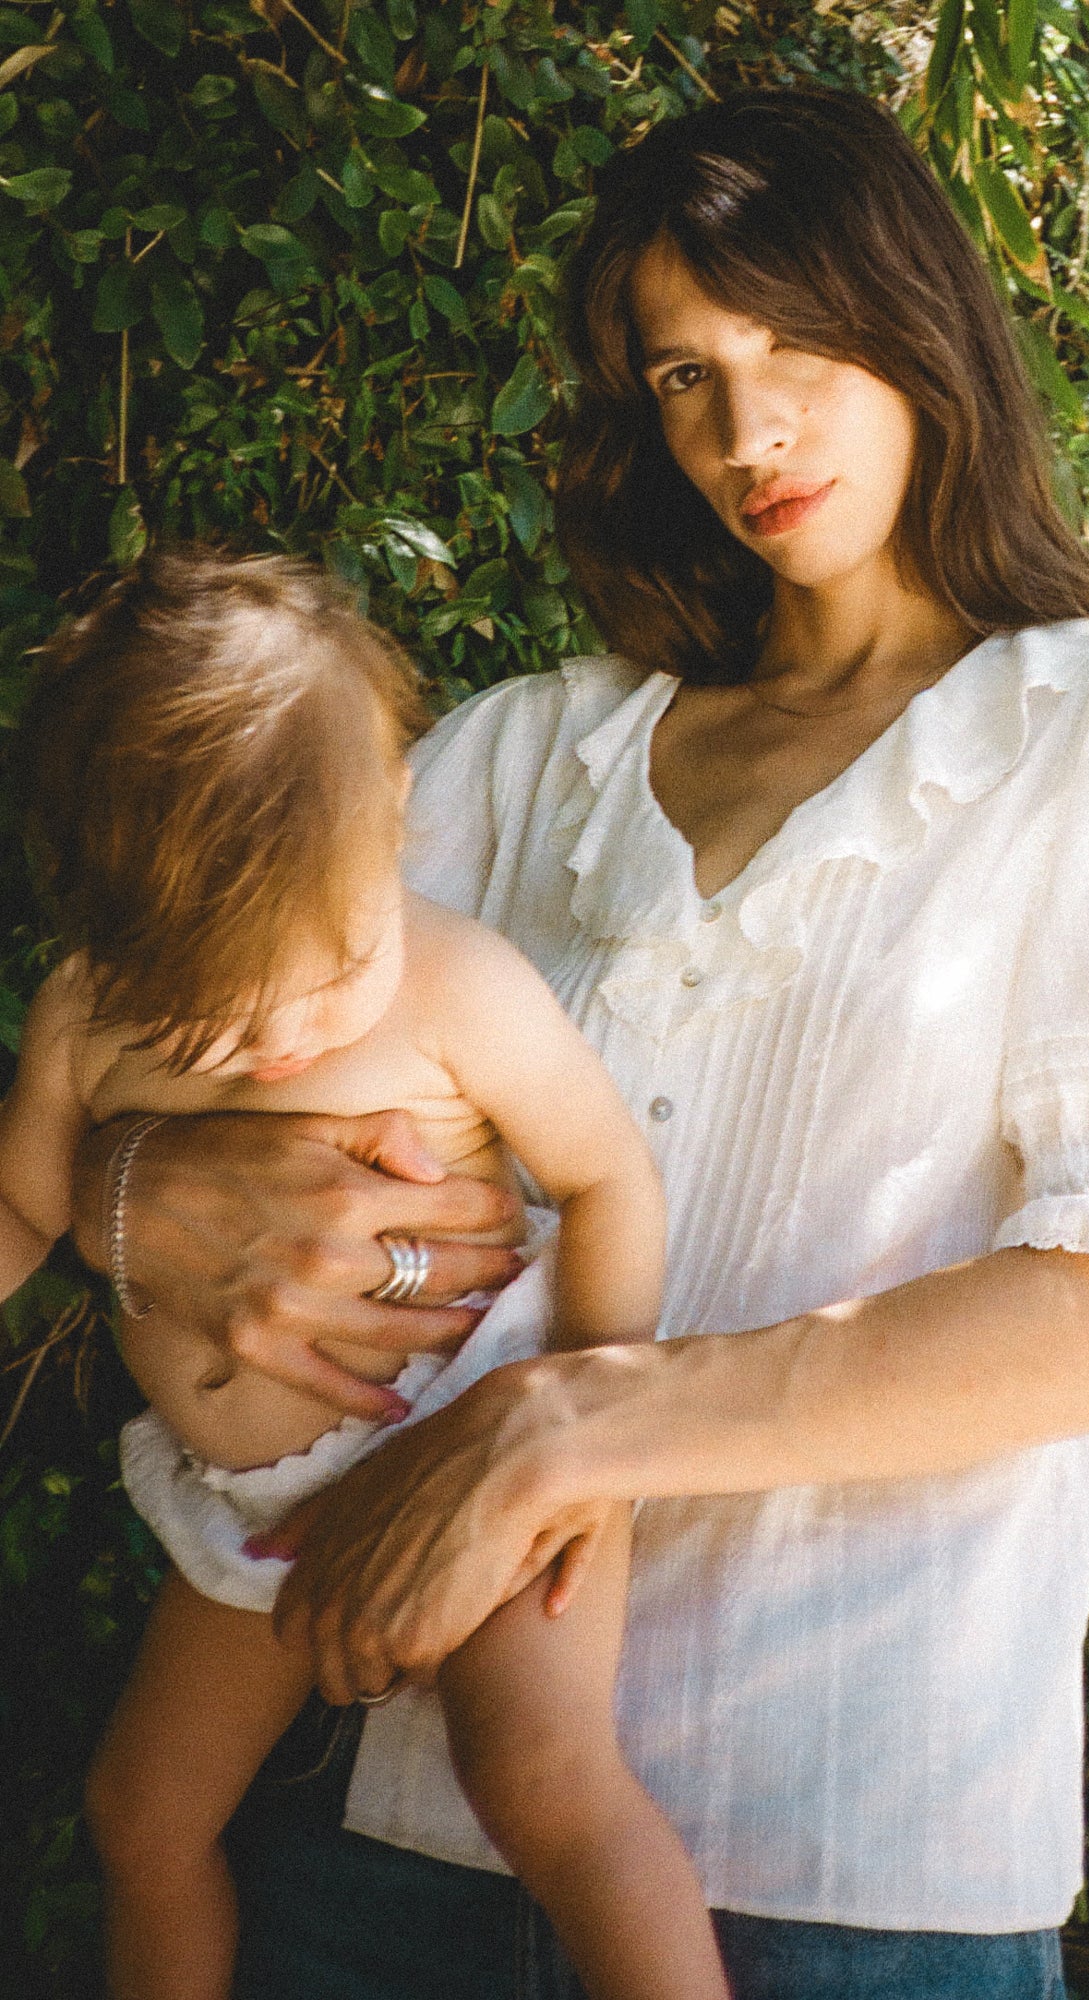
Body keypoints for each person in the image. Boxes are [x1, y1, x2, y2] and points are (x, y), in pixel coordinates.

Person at [63, 88, 1089, 2000]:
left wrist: (554, 1431)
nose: (745, 430)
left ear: (922, 324)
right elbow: (214, 1042)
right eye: (684, 375)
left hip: (860, 1861)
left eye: (795, 347)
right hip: (395, 1822)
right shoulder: (527, 751)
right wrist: (135, 1187)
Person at [0, 553, 730, 2000]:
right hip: (250, 1524)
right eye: (209, 1016)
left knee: (540, 1777)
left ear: (396, 819)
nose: (279, 1037)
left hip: (471, 1450)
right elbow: (25, 1207)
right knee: (141, 1817)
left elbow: (605, 1179)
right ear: (111, 935)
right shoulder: (91, 1013)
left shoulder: (456, 985)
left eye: (329, 971)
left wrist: (586, 1443)